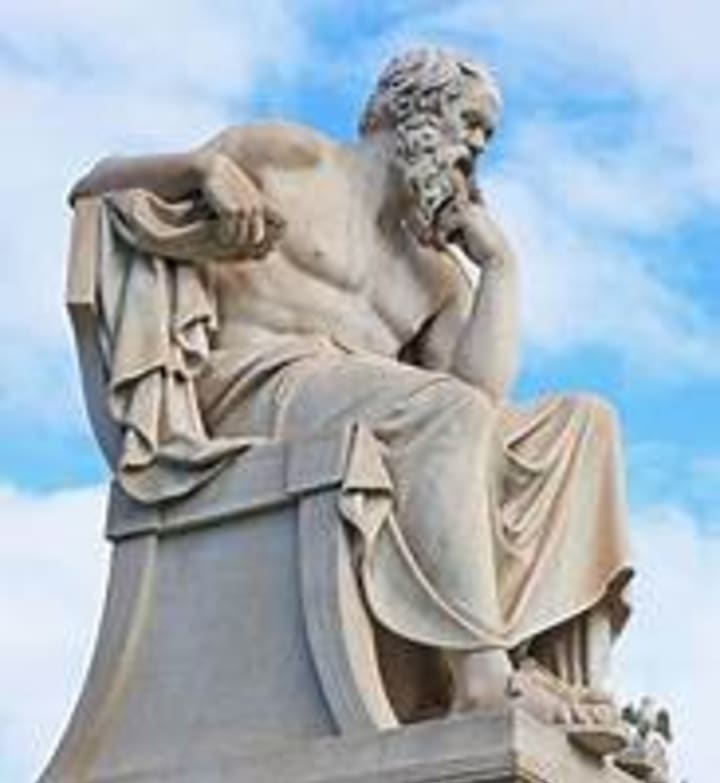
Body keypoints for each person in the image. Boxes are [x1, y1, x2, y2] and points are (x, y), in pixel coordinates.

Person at [70, 48, 632, 728]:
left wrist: (500, 266)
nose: (478, 145)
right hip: (250, 387)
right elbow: (96, 185)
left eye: (487, 133)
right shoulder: (292, 158)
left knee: (586, 421)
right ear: (410, 108)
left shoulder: (437, 271)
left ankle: (562, 683)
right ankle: (481, 680)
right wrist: (202, 171)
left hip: (365, 406)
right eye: (470, 121)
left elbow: (481, 400)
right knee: (441, 408)